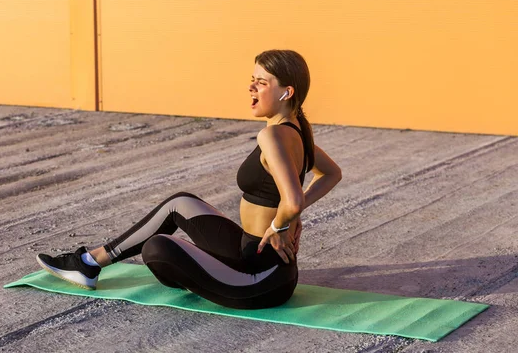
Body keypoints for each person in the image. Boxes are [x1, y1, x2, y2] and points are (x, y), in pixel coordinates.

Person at [36, 49, 342, 309]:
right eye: (252, 80)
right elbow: (331, 174)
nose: (251, 88)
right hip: (254, 254)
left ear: (286, 92)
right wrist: (288, 218)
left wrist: (281, 224)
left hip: (260, 279)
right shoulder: (296, 131)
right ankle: (90, 263)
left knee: (157, 248)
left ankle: (185, 273)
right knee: (179, 203)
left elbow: (293, 200)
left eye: (261, 83)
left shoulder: (273, 135)